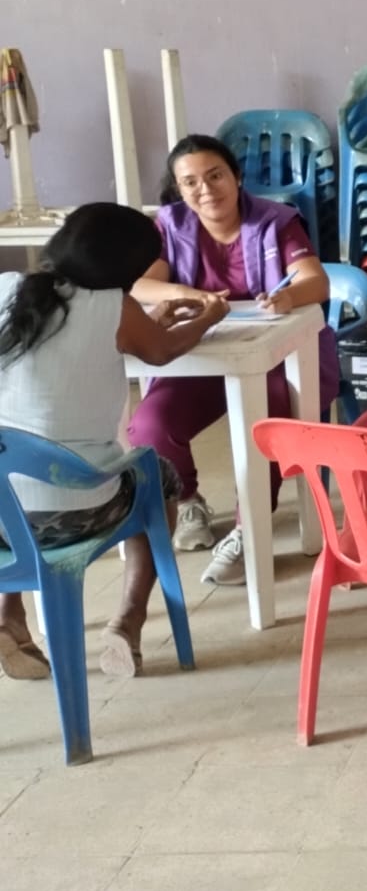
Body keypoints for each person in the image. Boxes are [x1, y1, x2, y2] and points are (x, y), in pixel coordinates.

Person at [0, 203, 228, 679]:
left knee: (15, 484)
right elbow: (161, 351)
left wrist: (150, 318)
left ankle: (9, 617)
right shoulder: (112, 306)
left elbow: (75, 341)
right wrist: (209, 315)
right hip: (73, 514)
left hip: (2, 517)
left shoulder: (9, 289)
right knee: (156, 478)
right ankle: (128, 621)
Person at [128, 135, 338, 586]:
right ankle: (188, 501)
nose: (205, 190)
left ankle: (248, 531)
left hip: (272, 358)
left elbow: (316, 282)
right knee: (150, 424)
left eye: (215, 175)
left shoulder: (276, 221)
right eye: (190, 182)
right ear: (179, 190)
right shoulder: (170, 225)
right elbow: (141, 286)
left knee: (267, 420)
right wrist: (185, 293)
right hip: (203, 356)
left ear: (237, 177)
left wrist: (287, 297)